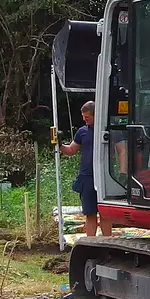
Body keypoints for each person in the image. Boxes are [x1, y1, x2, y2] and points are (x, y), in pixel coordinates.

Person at [59, 101, 100, 237]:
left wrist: (122, 171)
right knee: (90, 213)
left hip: (104, 176)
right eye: (83, 117)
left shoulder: (106, 130)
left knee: (106, 213)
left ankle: (107, 244)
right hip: (86, 177)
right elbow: (71, 150)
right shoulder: (82, 132)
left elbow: (121, 150)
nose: (84, 120)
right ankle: (91, 245)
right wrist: (59, 144)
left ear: (96, 115)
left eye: (87, 117)